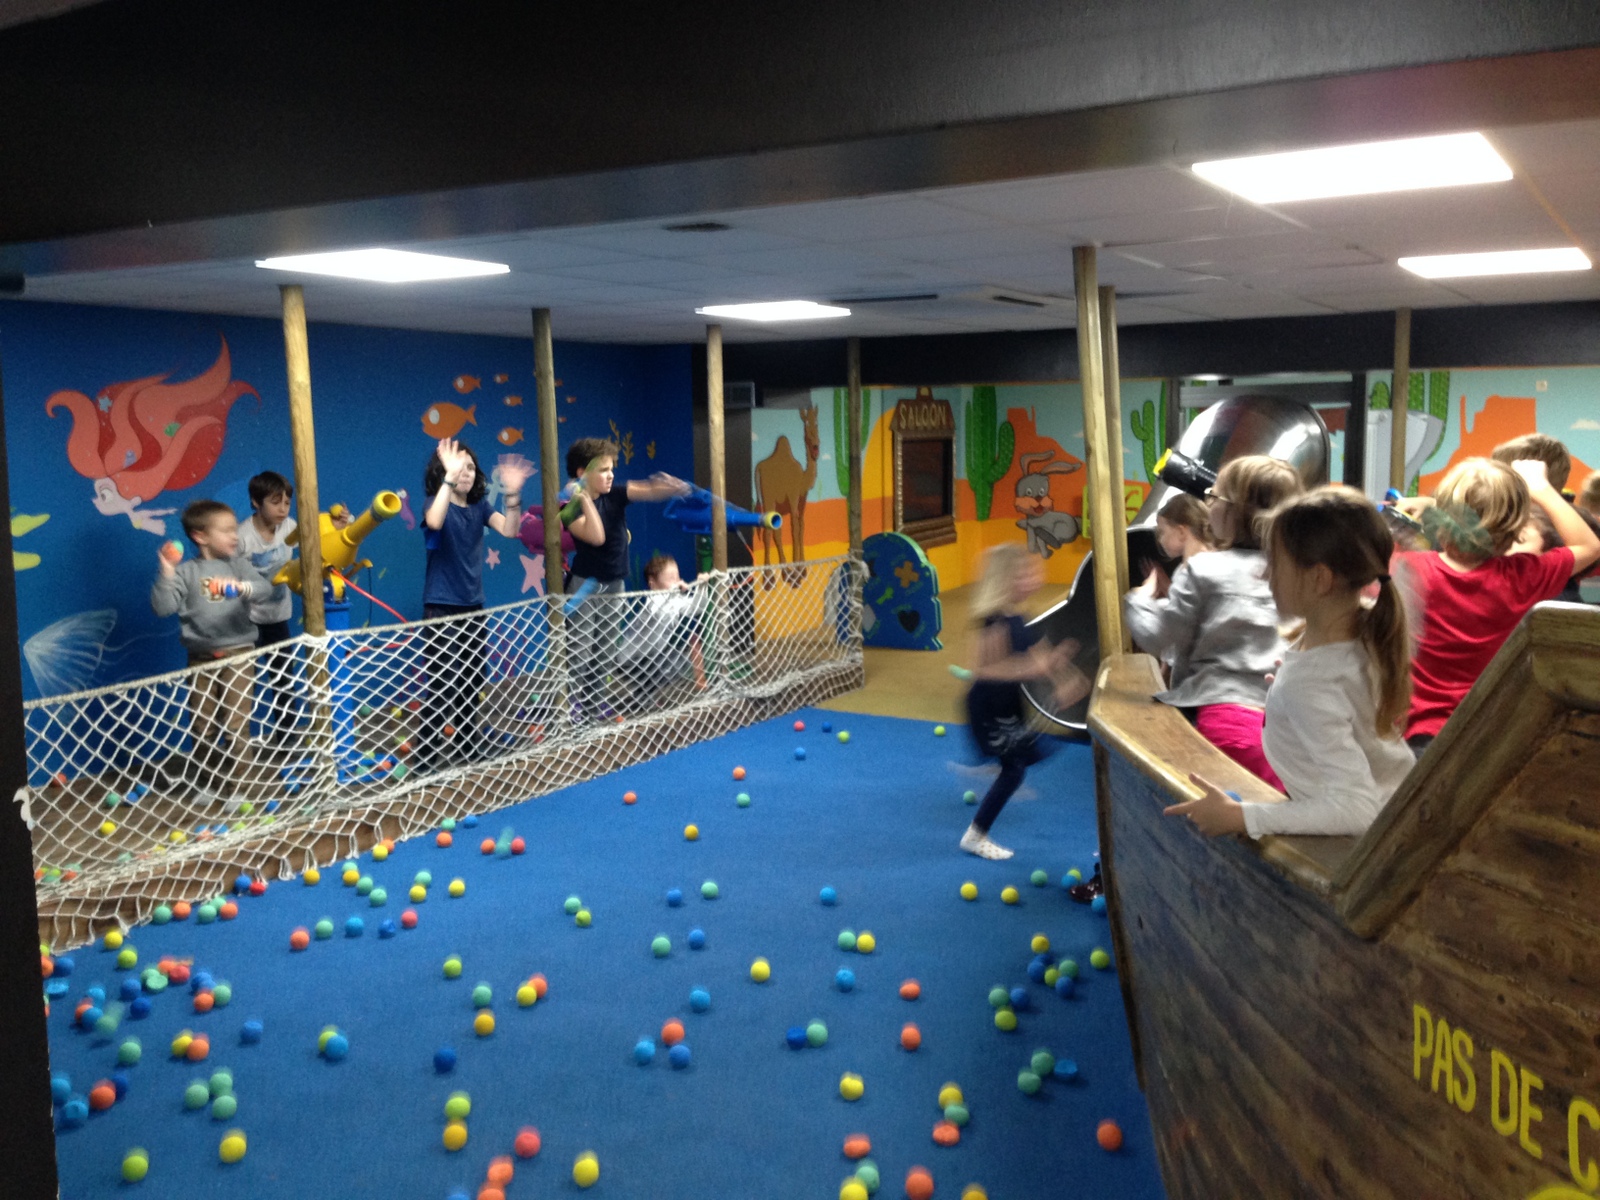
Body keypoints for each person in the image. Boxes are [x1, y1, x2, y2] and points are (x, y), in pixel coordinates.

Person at [1166, 486, 1415, 838]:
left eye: (1276, 564)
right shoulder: (1361, 632)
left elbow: (1356, 810)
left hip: (1365, 849)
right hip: (1399, 815)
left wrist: (1244, 817)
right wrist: (1287, 697)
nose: (1265, 575)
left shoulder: (1311, 683)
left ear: (1319, 579)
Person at [1399, 457, 1599, 756]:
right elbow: (1589, 546)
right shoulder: (1524, 577)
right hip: (1493, 737)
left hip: (1421, 736)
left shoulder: (1408, 569)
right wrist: (1541, 488)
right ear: (1514, 527)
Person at [1124, 455, 1303, 788]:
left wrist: (1138, 601)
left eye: (1214, 497)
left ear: (1237, 512)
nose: (1207, 505)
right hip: (1289, 727)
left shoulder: (1204, 569)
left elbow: (1159, 636)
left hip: (1225, 724)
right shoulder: (1300, 575)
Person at [960, 544, 1089, 861]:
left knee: (1025, 757)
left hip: (1007, 703)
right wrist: (1034, 669)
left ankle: (994, 763)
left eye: (1032, 571)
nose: (1034, 578)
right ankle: (975, 836)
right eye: (1024, 574)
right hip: (989, 706)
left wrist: (1065, 676)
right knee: (1015, 769)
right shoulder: (994, 622)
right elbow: (986, 670)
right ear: (1004, 580)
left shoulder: (1019, 616)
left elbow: (1041, 656)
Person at [151, 499, 277, 804]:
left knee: (235, 724)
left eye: (235, 529)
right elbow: (163, 608)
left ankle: (239, 789)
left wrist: (243, 588)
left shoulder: (238, 565)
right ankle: (208, 784)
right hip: (200, 659)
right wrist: (166, 572)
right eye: (226, 531)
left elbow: (265, 589)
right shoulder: (186, 572)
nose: (235, 536)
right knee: (202, 725)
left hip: (239, 655)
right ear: (201, 536)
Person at [562, 436, 691, 719]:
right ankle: (571, 705)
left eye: (612, 469)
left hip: (615, 583)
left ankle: (594, 704)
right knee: (580, 650)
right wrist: (583, 498)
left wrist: (669, 488)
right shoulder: (569, 509)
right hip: (585, 586)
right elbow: (596, 536)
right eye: (603, 470)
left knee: (605, 650)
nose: (610, 475)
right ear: (582, 473)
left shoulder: (616, 494)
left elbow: (647, 490)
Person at [420, 438, 531, 765]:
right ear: (444, 471)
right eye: (459, 467)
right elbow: (435, 521)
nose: (466, 473)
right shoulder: (435, 502)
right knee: (442, 685)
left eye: (470, 467)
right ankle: (426, 757)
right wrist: (449, 477)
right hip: (441, 606)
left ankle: (467, 747)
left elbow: (510, 530)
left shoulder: (480, 508)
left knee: (471, 681)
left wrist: (512, 494)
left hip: (473, 606)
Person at [617, 553, 706, 710]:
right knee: (659, 665)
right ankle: (643, 696)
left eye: (677, 576)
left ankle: (643, 695)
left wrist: (702, 587)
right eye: (671, 578)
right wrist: (673, 591)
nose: (677, 581)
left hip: (652, 657)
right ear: (652, 583)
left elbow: (697, 608)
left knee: (681, 661)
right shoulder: (653, 600)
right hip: (630, 660)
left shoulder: (675, 600)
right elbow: (658, 613)